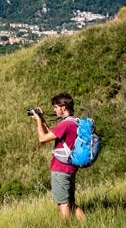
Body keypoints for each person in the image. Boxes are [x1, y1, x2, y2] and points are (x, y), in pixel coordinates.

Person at [30, 92, 85, 220]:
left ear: (63, 107)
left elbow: (42, 139)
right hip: (70, 168)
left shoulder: (65, 124)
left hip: (60, 169)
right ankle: (87, 224)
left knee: (63, 205)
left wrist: (38, 120)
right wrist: (42, 121)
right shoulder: (75, 122)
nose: (54, 110)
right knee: (70, 204)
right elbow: (53, 134)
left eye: (55, 107)